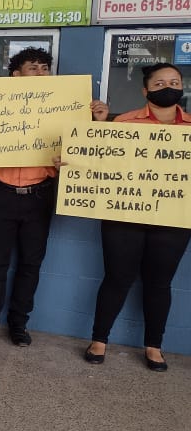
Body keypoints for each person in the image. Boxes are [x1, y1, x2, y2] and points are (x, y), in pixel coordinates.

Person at [0, 48, 110, 348]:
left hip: (39, 196)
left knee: (31, 264)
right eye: (33, 68)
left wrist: (97, 123)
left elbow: (89, 152)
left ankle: (19, 324)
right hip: (3, 196)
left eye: (45, 68)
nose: (41, 73)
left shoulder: (64, 107)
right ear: (16, 75)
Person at [84, 63, 190, 372]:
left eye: (174, 82)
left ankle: (154, 346)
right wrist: (76, 158)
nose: (167, 87)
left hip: (174, 219)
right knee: (117, 277)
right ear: (145, 90)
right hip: (123, 215)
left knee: (159, 283)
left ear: (182, 87)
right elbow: (99, 159)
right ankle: (99, 340)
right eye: (159, 83)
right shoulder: (124, 121)